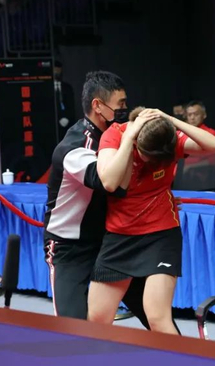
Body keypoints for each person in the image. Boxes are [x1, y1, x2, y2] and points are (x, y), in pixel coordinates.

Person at [88, 106, 215, 334]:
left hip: (161, 235)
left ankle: (180, 359)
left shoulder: (164, 138)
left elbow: (213, 145)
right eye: (148, 156)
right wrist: (129, 137)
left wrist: (169, 119)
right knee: (97, 319)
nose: (153, 163)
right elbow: (109, 183)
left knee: (157, 318)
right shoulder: (115, 135)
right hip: (120, 236)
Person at [44, 70, 149, 327]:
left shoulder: (114, 137)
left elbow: (126, 186)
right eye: (120, 104)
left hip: (109, 241)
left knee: (153, 312)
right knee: (73, 327)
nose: (125, 110)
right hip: (69, 247)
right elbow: (110, 183)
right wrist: (129, 140)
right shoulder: (75, 149)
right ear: (98, 106)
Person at [53, 60, 77, 138]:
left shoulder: (67, 87)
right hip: (54, 124)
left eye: (58, 71)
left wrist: (67, 117)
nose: (57, 73)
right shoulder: (48, 88)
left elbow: (71, 105)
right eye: (55, 71)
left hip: (67, 123)